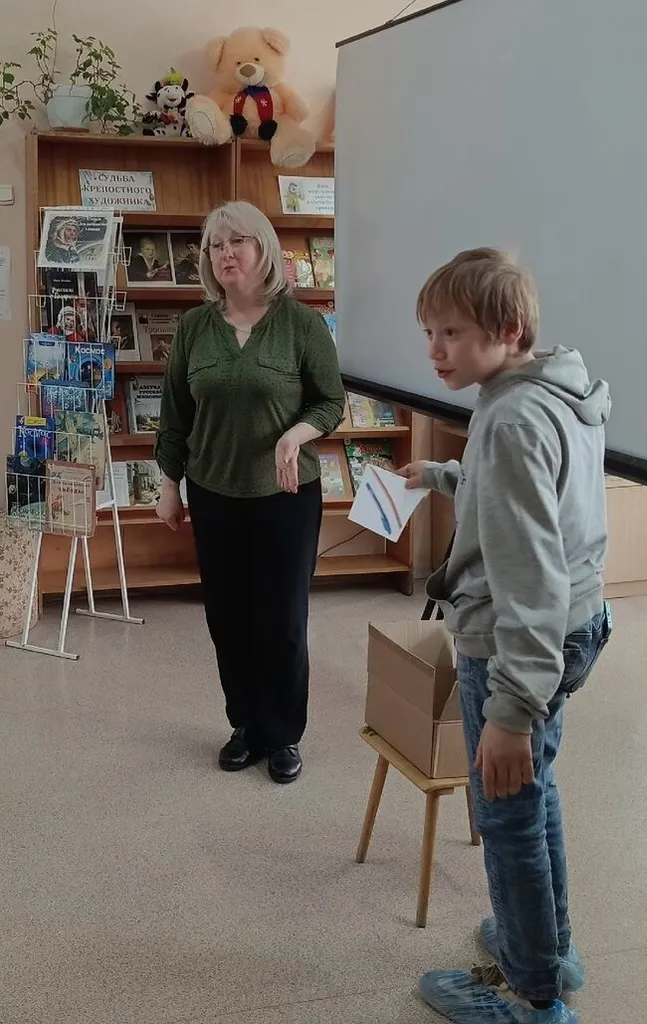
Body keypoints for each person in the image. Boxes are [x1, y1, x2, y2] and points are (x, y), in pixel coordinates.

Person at [398, 248, 612, 1024]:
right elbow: (532, 498)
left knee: (507, 814)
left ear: (509, 329)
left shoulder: (511, 418)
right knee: (534, 793)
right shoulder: (552, 389)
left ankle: (532, 997)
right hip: (577, 625)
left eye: (452, 333)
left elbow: (528, 570)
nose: (435, 351)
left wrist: (512, 710)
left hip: (518, 642)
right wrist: (443, 477)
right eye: (429, 332)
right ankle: (546, 948)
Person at [153, 200, 346, 784]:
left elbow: (330, 402)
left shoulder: (301, 324)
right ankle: (245, 726)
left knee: (281, 619)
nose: (226, 254)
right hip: (214, 493)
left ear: (263, 248)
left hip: (286, 497)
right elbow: (175, 416)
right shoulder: (194, 327)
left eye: (238, 241)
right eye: (216, 245)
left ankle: (283, 734)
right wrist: (169, 484)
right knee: (228, 617)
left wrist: (295, 434)